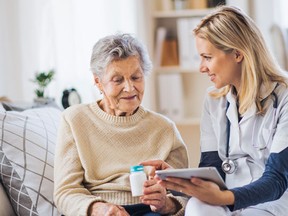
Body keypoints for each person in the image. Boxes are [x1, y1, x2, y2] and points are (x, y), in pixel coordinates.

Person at [141, 5, 288, 216]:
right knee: (197, 207)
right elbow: (213, 170)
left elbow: (276, 180)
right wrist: (178, 180)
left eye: (207, 57)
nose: (201, 67)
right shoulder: (213, 100)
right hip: (225, 202)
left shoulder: (284, 98)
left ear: (237, 53)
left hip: (270, 205)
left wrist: (224, 199)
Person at [53, 33, 189, 216]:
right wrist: (100, 209)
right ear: (98, 82)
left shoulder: (165, 129)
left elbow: (185, 196)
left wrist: (166, 203)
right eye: (118, 80)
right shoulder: (74, 120)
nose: (129, 88)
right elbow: (65, 192)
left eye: (136, 77)